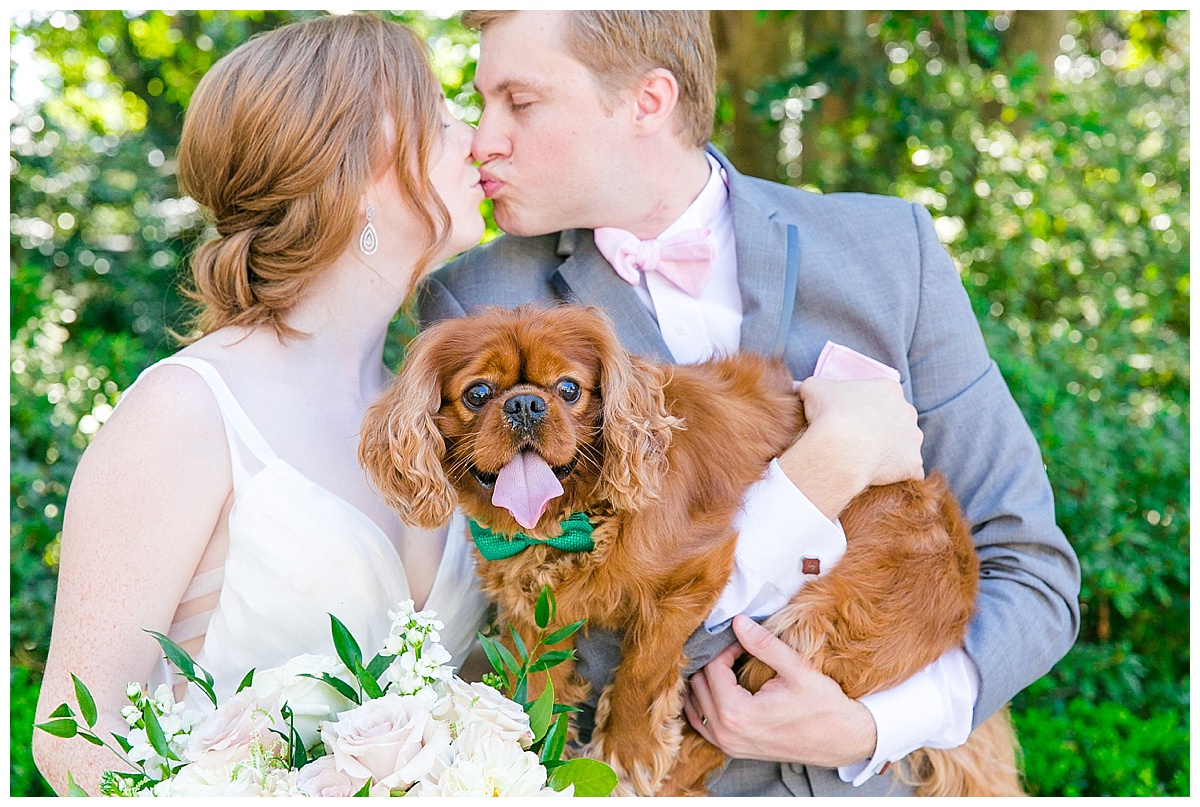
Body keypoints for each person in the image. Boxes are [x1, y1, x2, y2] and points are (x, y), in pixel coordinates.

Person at [418, 10, 1081, 797]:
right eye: (480, 101)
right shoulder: (478, 304)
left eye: (519, 103)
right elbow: (542, 621)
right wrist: (811, 481)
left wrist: (875, 724)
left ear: (647, 100)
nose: (482, 138)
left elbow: (1031, 567)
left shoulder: (889, 251)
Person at [32, 13, 490, 795]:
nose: (475, 140)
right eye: (445, 121)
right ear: (369, 164)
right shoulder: (187, 411)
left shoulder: (440, 420)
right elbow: (73, 741)